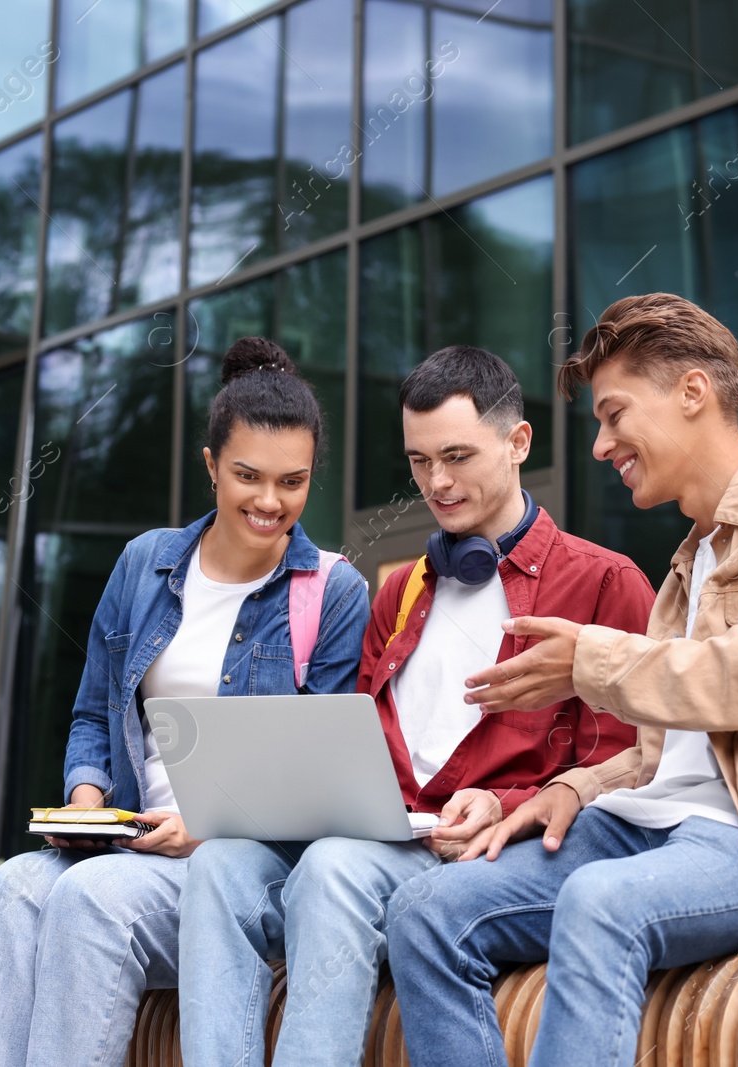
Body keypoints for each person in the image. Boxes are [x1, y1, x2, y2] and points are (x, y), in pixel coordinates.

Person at [383, 294, 738, 1066]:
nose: (600, 445)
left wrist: (592, 663)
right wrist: (568, 788)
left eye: (614, 414)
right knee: (424, 908)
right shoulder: (690, 558)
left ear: (693, 393)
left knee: (599, 904)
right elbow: (680, 752)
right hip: (639, 822)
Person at [177, 345, 655, 1067]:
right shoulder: (400, 590)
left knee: (335, 867)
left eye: (457, 455)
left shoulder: (604, 583)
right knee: (220, 866)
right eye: (419, 460)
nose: (437, 481)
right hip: (382, 840)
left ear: (519, 441)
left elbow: (634, 761)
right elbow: (358, 744)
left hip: (489, 857)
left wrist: (509, 802)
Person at [0, 338, 370, 1067]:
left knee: (91, 901)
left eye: (293, 481)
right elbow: (92, 713)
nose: (270, 502)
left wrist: (206, 826)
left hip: (238, 868)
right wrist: (86, 800)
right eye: (248, 476)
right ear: (211, 466)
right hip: (127, 837)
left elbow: (324, 777)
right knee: (12, 888)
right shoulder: (144, 565)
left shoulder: (333, 593)